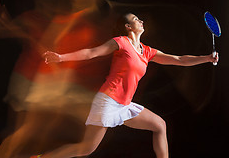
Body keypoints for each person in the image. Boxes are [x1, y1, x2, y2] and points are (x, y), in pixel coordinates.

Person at [37, 13, 218, 158]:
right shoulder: (121, 42)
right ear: (128, 27)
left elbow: (179, 60)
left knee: (160, 125)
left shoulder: (146, 51)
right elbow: (92, 52)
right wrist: (61, 57)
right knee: (86, 149)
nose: (140, 20)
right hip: (108, 101)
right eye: (135, 19)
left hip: (124, 104)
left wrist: (207, 58)